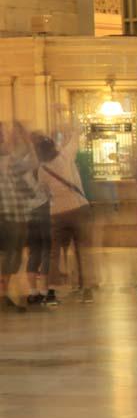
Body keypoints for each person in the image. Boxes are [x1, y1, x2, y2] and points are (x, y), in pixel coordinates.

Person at [42, 122, 95, 304]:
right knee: (82, 250)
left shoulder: (42, 169)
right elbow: (76, 134)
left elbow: (42, 191)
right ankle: (86, 289)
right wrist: (68, 121)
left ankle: (51, 292)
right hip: (78, 208)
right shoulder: (66, 156)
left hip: (57, 213)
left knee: (54, 253)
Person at [0, 123, 36, 313]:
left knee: (11, 256)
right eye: (4, 134)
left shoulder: (10, 159)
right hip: (8, 215)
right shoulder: (8, 159)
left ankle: (5, 292)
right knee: (11, 255)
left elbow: (30, 166)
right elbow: (31, 164)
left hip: (14, 214)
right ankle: (4, 293)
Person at [25, 135, 55, 306]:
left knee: (34, 250)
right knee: (46, 250)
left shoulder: (25, 166)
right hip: (44, 210)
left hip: (29, 212)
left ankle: (32, 292)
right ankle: (45, 291)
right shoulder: (45, 167)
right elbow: (50, 193)